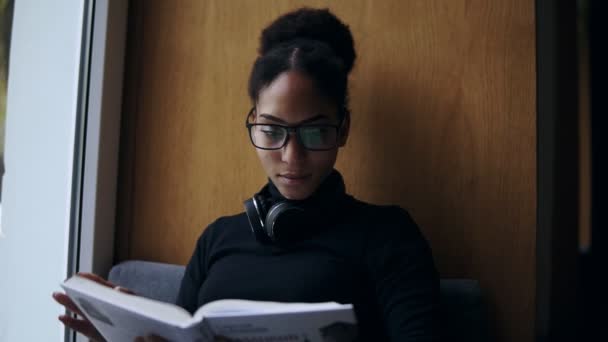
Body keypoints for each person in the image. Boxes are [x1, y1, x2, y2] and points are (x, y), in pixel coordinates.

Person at [54, 7, 439, 341]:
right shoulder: (218, 238)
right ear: (253, 123)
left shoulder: (387, 234)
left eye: (315, 132)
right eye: (272, 131)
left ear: (343, 129)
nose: (292, 156)